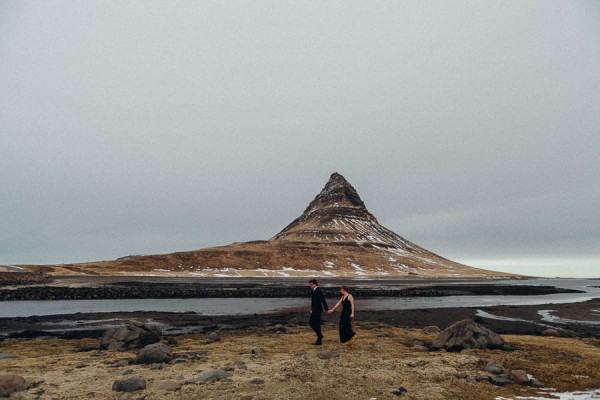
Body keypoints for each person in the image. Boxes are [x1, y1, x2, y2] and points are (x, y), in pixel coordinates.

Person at [308, 279, 329, 345]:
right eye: (310, 284)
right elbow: (313, 301)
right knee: (311, 322)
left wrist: (327, 309)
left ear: (315, 284)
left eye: (311, 284)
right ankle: (320, 335)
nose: (310, 286)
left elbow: (323, 300)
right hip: (314, 310)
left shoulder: (318, 291)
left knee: (316, 323)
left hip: (318, 310)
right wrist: (311, 309)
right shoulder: (312, 291)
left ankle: (319, 339)